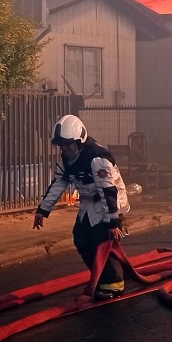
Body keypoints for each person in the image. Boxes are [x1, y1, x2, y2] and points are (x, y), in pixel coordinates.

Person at [34, 115, 130, 300]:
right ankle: (101, 278)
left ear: (80, 139)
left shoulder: (97, 157)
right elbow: (59, 183)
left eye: (69, 144)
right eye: (62, 145)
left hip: (108, 203)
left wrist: (113, 221)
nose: (65, 148)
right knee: (81, 238)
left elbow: (108, 190)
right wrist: (42, 210)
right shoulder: (68, 158)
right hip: (89, 202)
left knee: (102, 241)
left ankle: (114, 284)